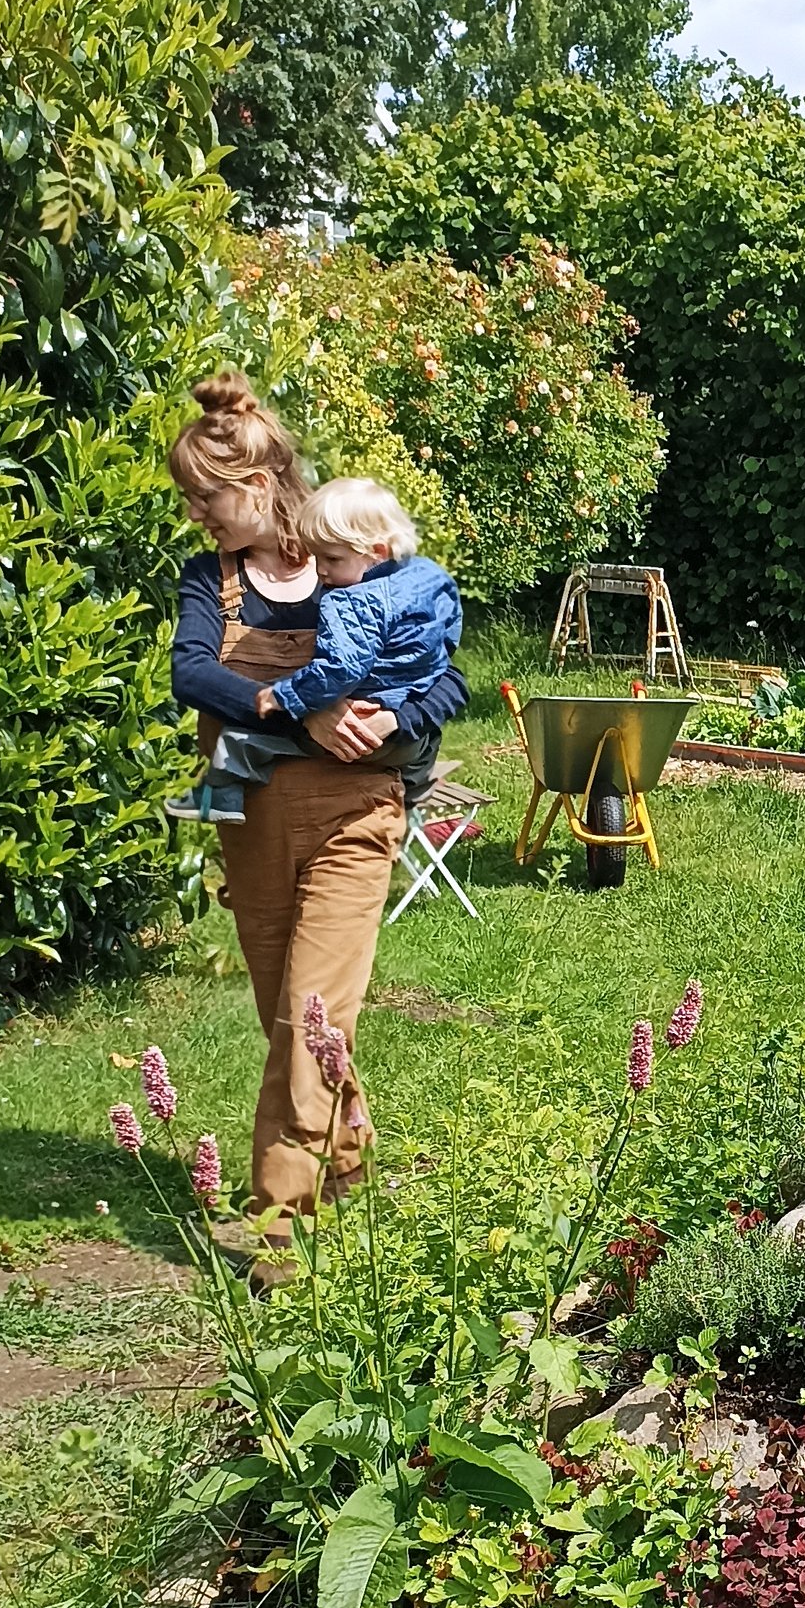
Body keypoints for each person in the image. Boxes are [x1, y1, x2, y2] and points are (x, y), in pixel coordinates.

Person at [165, 374, 467, 1231]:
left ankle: (282, 1231)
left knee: (311, 1019)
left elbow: (448, 679)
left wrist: (396, 716)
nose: (197, 515)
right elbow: (191, 673)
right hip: (252, 822)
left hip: (356, 815)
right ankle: (348, 1163)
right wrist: (299, 710)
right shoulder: (211, 579)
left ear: (258, 486)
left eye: (207, 497)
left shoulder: (353, 551)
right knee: (291, 1023)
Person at [192, 477, 464, 819]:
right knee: (427, 743)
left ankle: (222, 798)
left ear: (378, 551)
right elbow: (447, 641)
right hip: (405, 745)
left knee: (243, 740)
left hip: (351, 735)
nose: (321, 570)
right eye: (316, 557)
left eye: (332, 559)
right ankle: (411, 795)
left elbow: (338, 671)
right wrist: (402, 713)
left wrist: (290, 700)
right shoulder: (430, 578)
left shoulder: (348, 601)